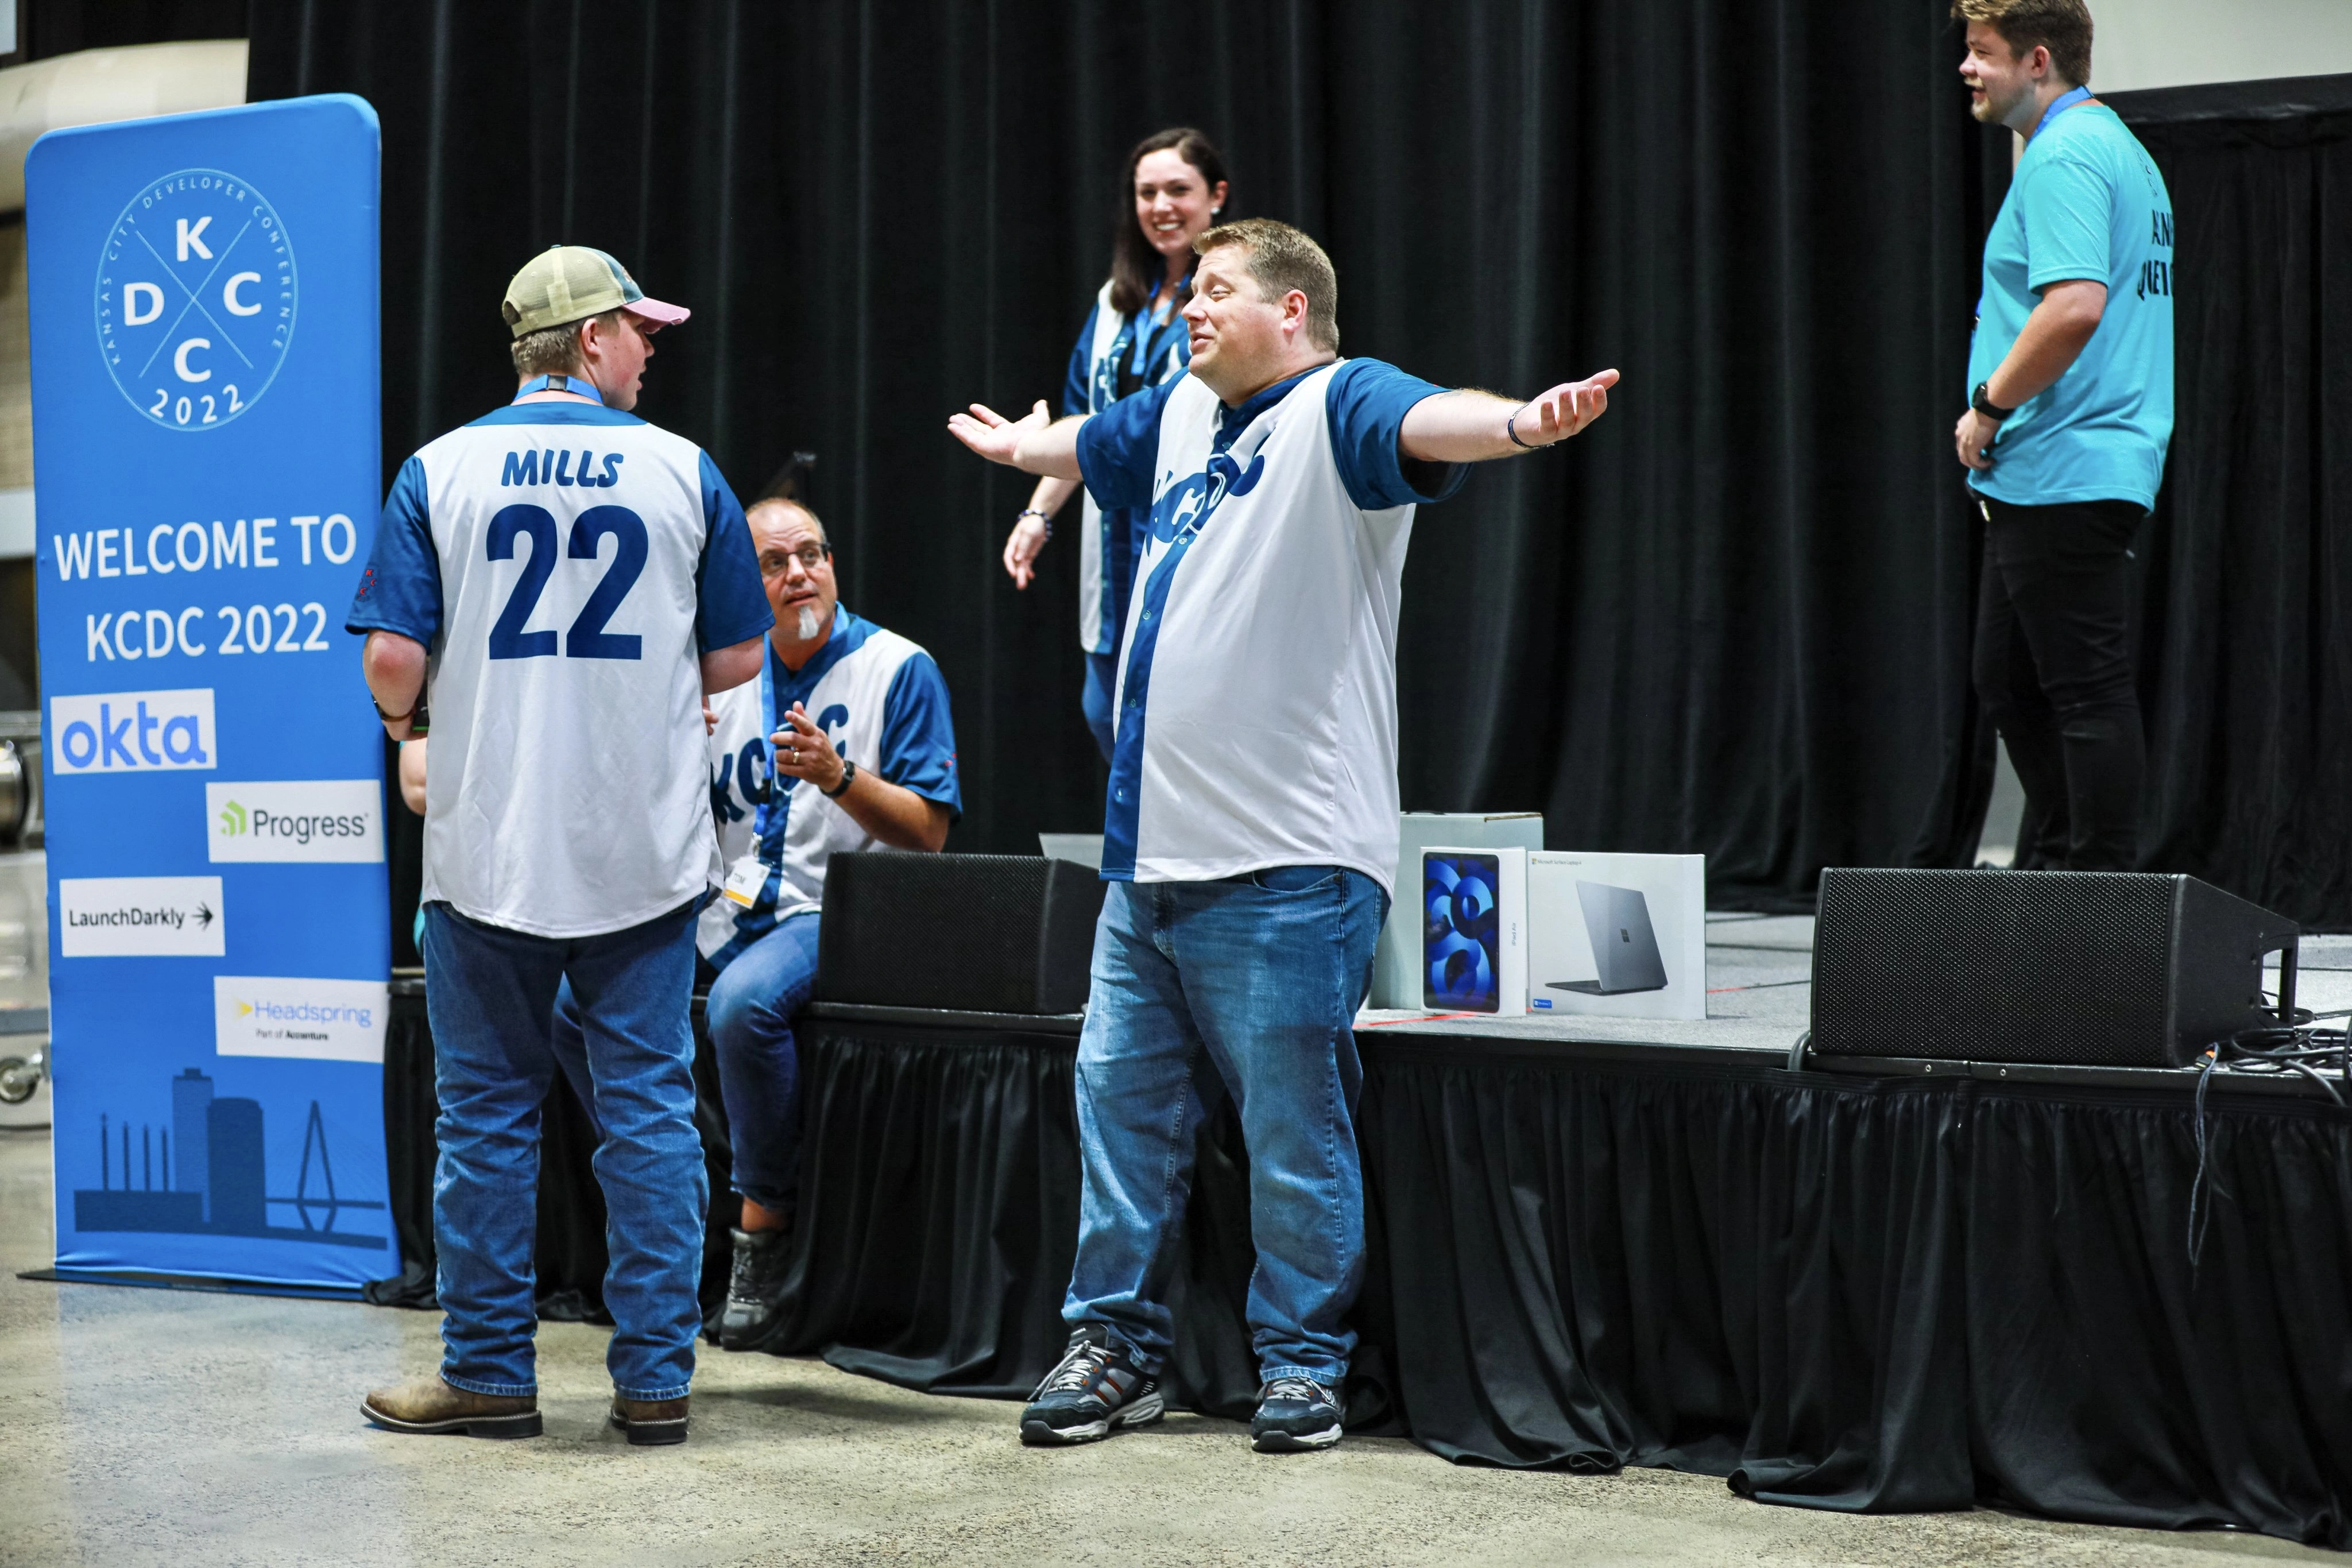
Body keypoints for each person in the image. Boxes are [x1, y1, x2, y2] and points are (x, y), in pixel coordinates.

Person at [948, 218, 1616, 1453]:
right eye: (1187, 292)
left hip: (1289, 862)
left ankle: (1303, 1364)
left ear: (1291, 310)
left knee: (1288, 1127)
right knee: (1118, 1113)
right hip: (1148, 864)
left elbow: (1436, 420)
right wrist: (1013, 452)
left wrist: (1522, 421)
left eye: (1214, 291)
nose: (1188, 309)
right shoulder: (1178, 413)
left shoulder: (1338, 405)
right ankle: (1113, 1346)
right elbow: (1081, 443)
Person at [350, 245, 771, 1446]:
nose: (650, 349)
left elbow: (392, 656)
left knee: (485, 1118)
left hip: (490, 852)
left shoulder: (439, 468)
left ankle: (487, 1371)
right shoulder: (685, 470)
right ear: (589, 340)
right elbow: (739, 658)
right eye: (638, 330)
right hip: (637, 847)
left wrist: (406, 725)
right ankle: (653, 1381)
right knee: (645, 1109)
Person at [553, 491, 962, 1352]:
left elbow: (929, 833)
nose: (797, 574)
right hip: (723, 907)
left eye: (810, 553)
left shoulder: (898, 667)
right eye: (773, 564)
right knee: (571, 1003)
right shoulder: (721, 678)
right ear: (746, 582)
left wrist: (839, 774)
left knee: (743, 1004)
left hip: (843, 912)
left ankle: (763, 1231)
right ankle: (675, 1179)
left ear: (832, 561)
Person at [1953, 0, 2173, 870]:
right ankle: (2057, 879)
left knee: (2084, 691)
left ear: (2038, 60)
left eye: (1982, 52)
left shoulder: (2067, 154)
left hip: (2068, 457)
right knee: (2006, 679)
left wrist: (1990, 405)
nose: (1966, 68)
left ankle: (2103, 896)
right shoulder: (2117, 148)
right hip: (2053, 467)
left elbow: (2076, 306)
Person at [1000, 129, 1228, 760]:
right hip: (1111, 552)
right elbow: (1087, 426)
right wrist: (1036, 515)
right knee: (1108, 718)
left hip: (1190, 537)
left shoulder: (1231, 302)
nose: (1161, 206)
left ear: (1216, 196)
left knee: (1182, 732)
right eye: (1146, 192)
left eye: (1178, 190)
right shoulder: (1114, 303)